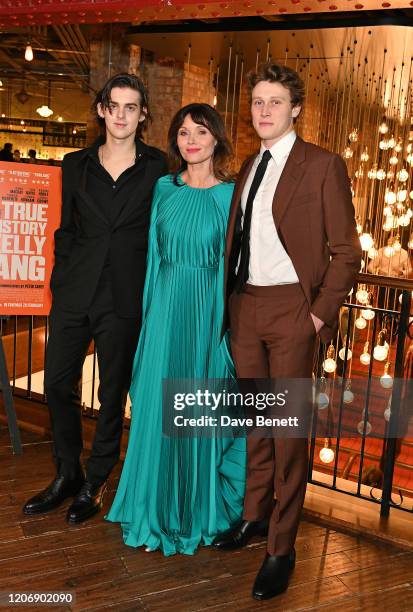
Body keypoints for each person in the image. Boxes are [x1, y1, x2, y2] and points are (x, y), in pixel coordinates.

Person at [212, 63, 361, 600]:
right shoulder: (250, 164)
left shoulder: (323, 165)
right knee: (256, 423)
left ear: (295, 108)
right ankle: (254, 515)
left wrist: (316, 316)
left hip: (293, 314)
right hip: (245, 309)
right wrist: (231, 307)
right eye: (257, 102)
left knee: (288, 434)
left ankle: (281, 546)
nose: (264, 110)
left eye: (275, 101)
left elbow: (346, 252)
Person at [23, 73, 167, 523]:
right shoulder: (75, 163)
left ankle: (96, 478)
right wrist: (61, 279)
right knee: (56, 384)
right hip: (74, 292)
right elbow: (67, 229)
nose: (121, 115)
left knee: (111, 393)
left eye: (131, 107)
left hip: (124, 295)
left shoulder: (159, 168)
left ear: (142, 115)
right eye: (114, 106)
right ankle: (67, 472)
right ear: (102, 110)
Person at [106, 103, 246, 555]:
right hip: (165, 314)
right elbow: (151, 262)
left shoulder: (230, 196)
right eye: (184, 132)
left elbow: (236, 269)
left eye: (200, 132)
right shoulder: (164, 188)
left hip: (205, 318)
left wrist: (226, 329)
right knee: (158, 406)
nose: (191, 140)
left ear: (216, 140)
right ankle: (155, 505)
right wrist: (148, 328)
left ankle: (194, 508)